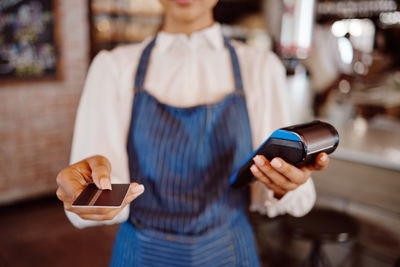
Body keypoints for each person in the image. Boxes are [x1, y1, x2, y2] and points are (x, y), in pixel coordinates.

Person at [56, 0, 330, 266]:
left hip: (230, 251)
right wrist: (87, 194)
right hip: (142, 253)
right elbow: (96, 194)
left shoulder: (260, 67)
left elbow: (281, 196)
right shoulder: (113, 68)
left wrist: (283, 186)